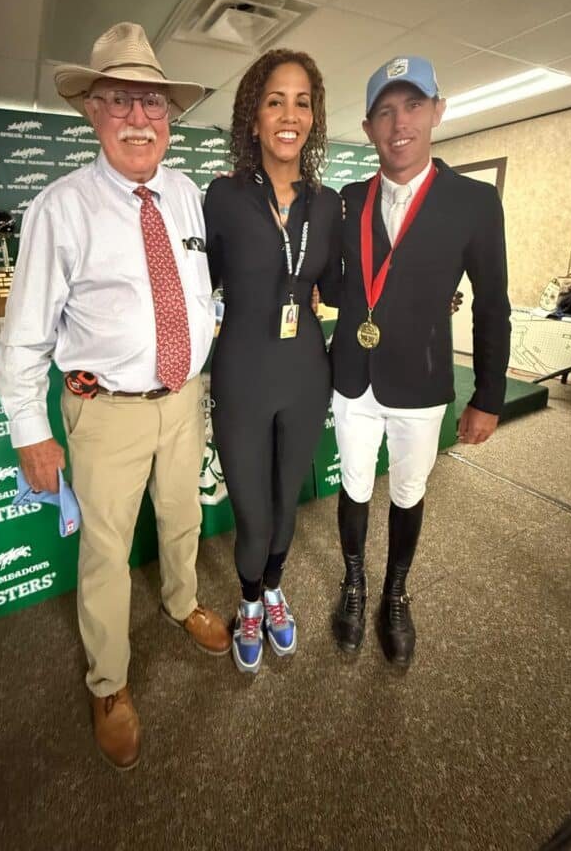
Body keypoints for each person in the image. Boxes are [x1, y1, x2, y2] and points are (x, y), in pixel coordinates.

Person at [0, 22, 231, 771]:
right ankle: (108, 682)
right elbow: (24, 336)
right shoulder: (59, 208)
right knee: (105, 552)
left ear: (170, 116)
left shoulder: (186, 195)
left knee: (183, 515)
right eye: (119, 100)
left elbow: (199, 293)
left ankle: (181, 601)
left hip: (184, 399)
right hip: (105, 414)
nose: (138, 118)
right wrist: (31, 430)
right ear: (92, 111)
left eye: (152, 102)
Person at [330, 55, 510, 667]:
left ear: (438, 110)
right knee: (354, 486)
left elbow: (492, 305)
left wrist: (488, 395)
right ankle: (354, 583)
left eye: (412, 106)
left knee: (408, 491)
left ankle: (395, 593)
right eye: (385, 112)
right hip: (353, 379)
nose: (399, 123)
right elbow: (337, 284)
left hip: (423, 383)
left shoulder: (474, 202)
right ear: (368, 127)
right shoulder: (349, 200)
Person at [203, 50, 342, 674]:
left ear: (314, 117)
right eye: (275, 101)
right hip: (242, 372)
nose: (290, 115)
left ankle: (274, 589)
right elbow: (197, 284)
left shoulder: (327, 204)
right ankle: (250, 601)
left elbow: (339, 290)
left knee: (287, 505)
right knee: (254, 516)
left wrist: (419, 291)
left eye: (302, 102)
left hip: (306, 374)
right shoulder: (224, 195)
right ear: (253, 117)